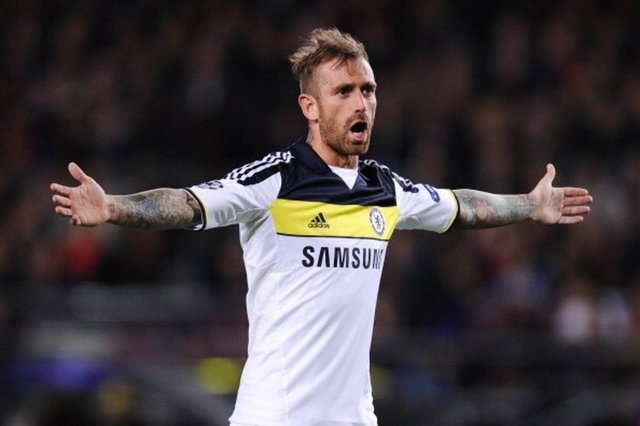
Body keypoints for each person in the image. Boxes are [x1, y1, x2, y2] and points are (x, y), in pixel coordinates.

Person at [51, 27, 592, 426]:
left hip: (354, 418)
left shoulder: (385, 188)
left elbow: (462, 207)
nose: (362, 103)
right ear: (309, 106)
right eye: (344, 92)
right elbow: (190, 204)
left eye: (368, 90)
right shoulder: (276, 179)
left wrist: (529, 204)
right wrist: (113, 207)